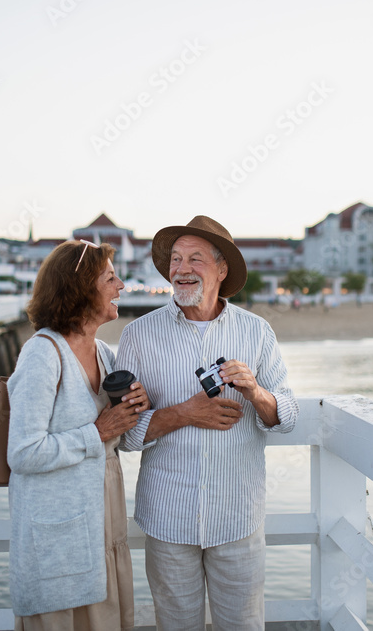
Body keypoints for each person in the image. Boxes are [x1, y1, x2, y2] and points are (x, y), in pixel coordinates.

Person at [117, 215, 299, 630]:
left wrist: (255, 392)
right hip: (168, 518)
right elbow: (124, 433)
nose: (181, 269)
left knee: (244, 625)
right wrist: (184, 413)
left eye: (194, 259)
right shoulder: (138, 336)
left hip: (238, 516)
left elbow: (285, 415)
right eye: (176, 259)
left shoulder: (257, 332)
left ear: (222, 269)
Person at [6, 239, 147, 630]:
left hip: (104, 518)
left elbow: (121, 431)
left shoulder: (104, 353)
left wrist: (138, 403)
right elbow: (23, 452)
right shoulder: (43, 354)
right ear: (82, 288)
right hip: (59, 533)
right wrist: (97, 431)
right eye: (110, 278)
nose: (121, 286)